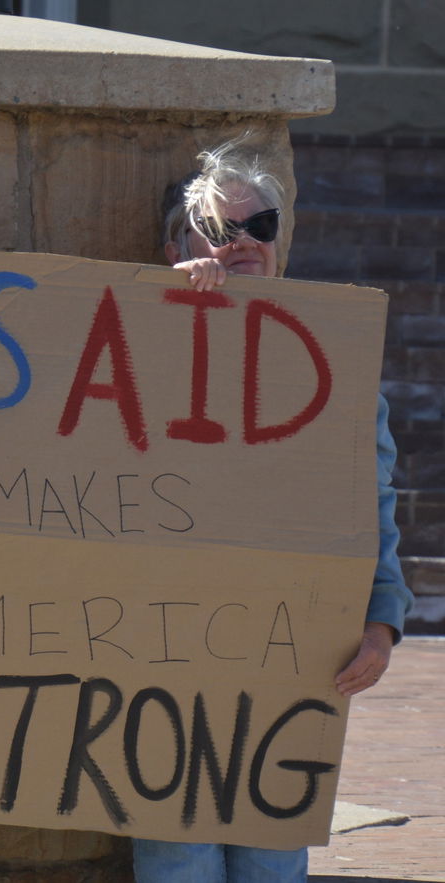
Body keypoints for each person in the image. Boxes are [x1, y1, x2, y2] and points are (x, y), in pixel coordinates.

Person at [123, 141, 415, 881]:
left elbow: (370, 501)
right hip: (161, 655)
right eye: (218, 231)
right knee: (176, 854)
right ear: (175, 247)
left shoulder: (332, 359)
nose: (243, 242)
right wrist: (166, 320)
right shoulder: (128, 340)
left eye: (260, 223)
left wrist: (382, 619)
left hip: (286, 658)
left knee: (270, 859)